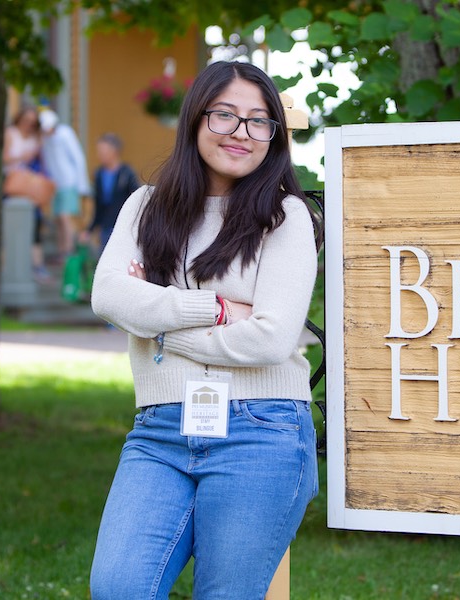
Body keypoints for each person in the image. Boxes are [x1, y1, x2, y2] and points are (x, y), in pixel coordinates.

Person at [89, 61, 319, 599]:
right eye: (225, 115)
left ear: (274, 136)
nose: (241, 133)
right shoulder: (147, 207)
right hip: (159, 432)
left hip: (262, 431)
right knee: (118, 588)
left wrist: (159, 323)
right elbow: (108, 295)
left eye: (259, 121)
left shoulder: (286, 217)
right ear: (196, 118)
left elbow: (270, 339)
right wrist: (215, 309)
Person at [3, 104, 52, 283]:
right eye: (26, 121)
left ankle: (37, 266)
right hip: (12, 184)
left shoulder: (36, 138)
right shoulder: (11, 134)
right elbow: (4, 158)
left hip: (30, 186)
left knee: (35, 224)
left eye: (33, 123)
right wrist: (21, 156)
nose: (28, 125)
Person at [38, 109, 91, 260]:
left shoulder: (65, 134)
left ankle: (68, 251)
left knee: (65, 217)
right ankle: (62, 251)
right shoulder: (44, 139)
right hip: (55, 185)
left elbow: (78, 158)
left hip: (69, 182)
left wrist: (82, 185)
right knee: (58, 219)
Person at [85, 133, 141, 250]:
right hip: (105, 227)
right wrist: (90, 229)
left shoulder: (127, 173)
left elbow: (137, 199)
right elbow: (98, 205)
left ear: (114, 151)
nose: (99, 155)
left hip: (124, 227)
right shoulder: (99, 174)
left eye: (102, 151)